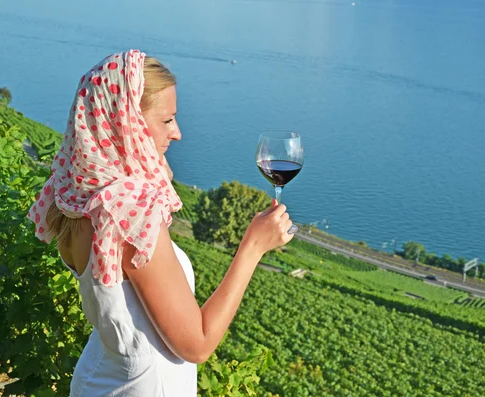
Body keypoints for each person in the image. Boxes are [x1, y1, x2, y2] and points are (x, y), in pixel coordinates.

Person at [27, 49, 294, 397]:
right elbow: (197, 345)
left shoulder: (73, 194)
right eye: (167, 120)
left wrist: (151, 175)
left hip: (103, 378)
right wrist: (253, 248)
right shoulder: (130, 209)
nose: (178, 133)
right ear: (128, 124)